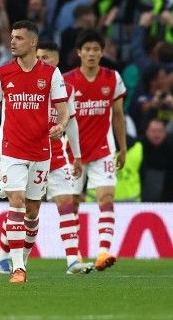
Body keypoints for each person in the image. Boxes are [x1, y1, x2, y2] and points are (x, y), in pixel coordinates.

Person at [0, 20, 70, 284]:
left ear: (33, 42)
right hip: (12, 149)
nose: (12, 41)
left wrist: (61, 125)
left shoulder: (51, 74)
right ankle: (18, 268)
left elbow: (63, 110)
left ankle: (21, 260)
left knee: (32, 211)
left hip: (41, 151)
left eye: (19, 38)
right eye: (12, 37)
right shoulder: (2, 73)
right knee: (16, 200)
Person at [0, 41, 93, 274]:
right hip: (21, 154)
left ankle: (72, 261)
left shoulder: (64, 89)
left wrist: (77, 155)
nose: (41, 61)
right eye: (38, 56)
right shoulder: (20, 83)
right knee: (25, 209)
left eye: (46, 57)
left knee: (67, 204)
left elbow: (72, 122)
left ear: (56, 62)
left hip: (56, 155)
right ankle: (3, 254)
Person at [63, 29, 127, 272]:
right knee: (73, 202)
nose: (91, 53)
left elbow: (118, 115)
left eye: (96, 49)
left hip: (103, 149)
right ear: (79, 52)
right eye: (87, 49)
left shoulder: (113, 78)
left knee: (106, 197)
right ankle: (76, 257)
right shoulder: (67, 80)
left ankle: (103, 252)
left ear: (102, 52)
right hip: (72, 153)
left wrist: (122, 148)